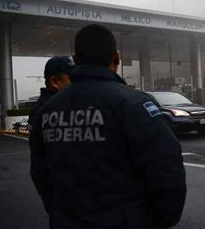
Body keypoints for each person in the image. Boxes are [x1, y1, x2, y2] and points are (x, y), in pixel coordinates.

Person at [30, 24, 186, 229]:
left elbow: (40, 172)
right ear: (117, 58)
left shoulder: (47, 111)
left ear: (75, 60)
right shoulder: (133, 104)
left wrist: (58, 210)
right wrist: (160, 219)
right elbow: (166, 166)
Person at [29, 55, 75, 214]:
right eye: (71, 78)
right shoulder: (44, 111)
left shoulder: (67, 103)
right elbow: (40, 160)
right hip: (59, 193)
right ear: (54, 81)